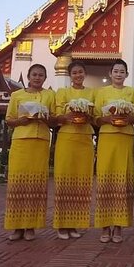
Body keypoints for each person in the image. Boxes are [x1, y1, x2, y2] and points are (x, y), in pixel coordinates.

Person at [4, 63, 56, 241]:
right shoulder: (17, 95)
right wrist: (21, 121)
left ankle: (31, 226)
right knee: (18, 185)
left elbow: (55, 120)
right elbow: (9, 119)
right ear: (28, 76)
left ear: (45, 78)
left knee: (36, 186)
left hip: (41, 141)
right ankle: (16, 227)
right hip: (21, 141)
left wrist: (47, 118)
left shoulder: (50, 95)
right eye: (34, 74)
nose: (37, 77)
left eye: (41, 75)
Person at [93, 59, 134, 243]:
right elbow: (96, 118)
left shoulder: (132, 92)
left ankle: (119, 227)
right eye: (116, 71)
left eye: (122, 71)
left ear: (126, 75)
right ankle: (105, 226)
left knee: (123, 180)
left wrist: (128, 117)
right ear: (110, 73)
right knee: (106, 179)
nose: (119, 74)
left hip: (124, 138)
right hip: (107, 138)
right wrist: (108, 118)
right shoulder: (102, 92)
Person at [53, 60, 96, 240]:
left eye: (80, 72)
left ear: (84, 74)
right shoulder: (62, 93)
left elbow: (95, 117)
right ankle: (62, 225)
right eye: (74, 73)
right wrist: (69, 115)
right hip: (66, 138)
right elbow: (57, 117)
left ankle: (74, 223)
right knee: (64, 179)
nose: (78, 75)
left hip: (85, 138)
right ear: (70, 75)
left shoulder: (92, 93)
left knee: (81, 181)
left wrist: (87, 114)